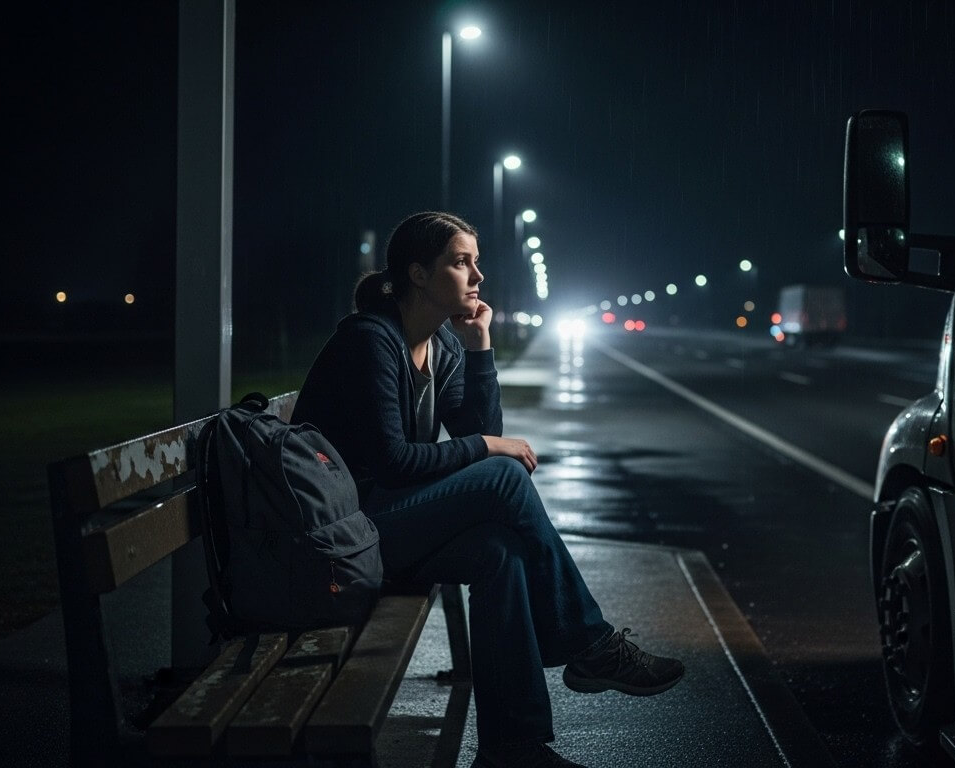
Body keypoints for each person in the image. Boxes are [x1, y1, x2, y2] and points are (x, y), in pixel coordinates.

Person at [291, 211, 684, 768]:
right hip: (348, 538)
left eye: (477, 262)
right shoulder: (371, 342)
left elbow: (482, 428)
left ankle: (513, 747)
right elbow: (397, 462)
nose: (477, 276)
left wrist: (479, 348)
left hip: (389, 526)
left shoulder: (443, 346)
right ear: (419, 274)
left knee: (500, 553)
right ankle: (589, 644)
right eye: (461, 262)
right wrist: (488, 450)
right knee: (501, 474)